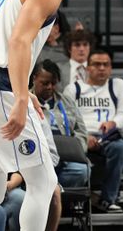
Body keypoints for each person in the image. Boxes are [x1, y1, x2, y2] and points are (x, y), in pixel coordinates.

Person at [0, 0, 76, 229]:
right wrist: (18, 98)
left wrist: (23, 90)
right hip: (1, 85)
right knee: (43, 183)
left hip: (1, 83)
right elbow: (17, 41)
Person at [64, 50, 123, 212]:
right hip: (80, 136)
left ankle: (109, 199)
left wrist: (113, 122)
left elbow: (122, 113)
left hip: (107, 137)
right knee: (75, 151)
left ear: (111, 68)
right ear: (87, 68)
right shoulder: (73, 89)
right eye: (96, 64)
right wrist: (84, 136)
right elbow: (67, 119)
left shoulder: (117, 85)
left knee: (119, 147)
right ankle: (76, 201)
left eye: (105, 65)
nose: (101, 68)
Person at [32, 59, 90, 188]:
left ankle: (57, 191)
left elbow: (81, 131)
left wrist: (73, 150)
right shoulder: (26, 102)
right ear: (34, 79)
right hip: (38, 160)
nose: (49, 87)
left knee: (82, 170)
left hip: (66, 160)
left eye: (53, 83)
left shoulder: (67, 102)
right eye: (45, 83)